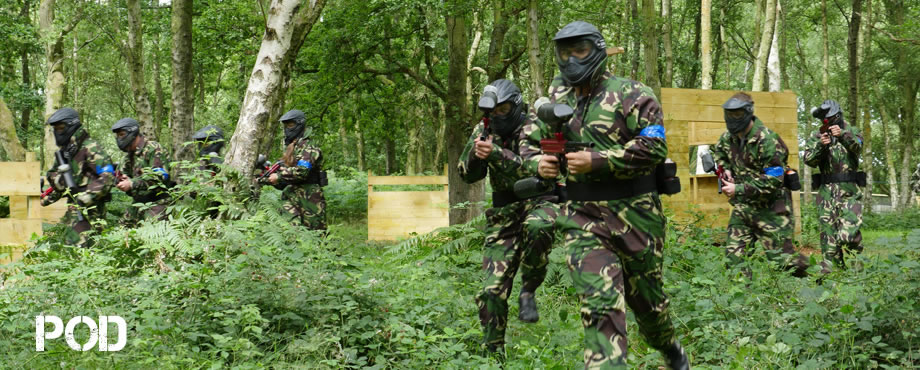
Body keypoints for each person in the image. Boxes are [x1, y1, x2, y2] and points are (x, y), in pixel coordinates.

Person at [521, 21, 688, 369]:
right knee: (600, 309)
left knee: (650, 306)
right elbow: (527, 143)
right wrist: (539, 163)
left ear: (597, 49)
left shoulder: (632, 93)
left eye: (578, 50)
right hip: (583, 219)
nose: (570, 60)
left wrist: (597, 161)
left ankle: (670, 348)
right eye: (564, 52)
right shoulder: (556, 100)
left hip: (637, 217)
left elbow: (654, 146)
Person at [458, 79, 560, 354]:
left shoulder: (535, 126)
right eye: (492, 111)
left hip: (539, 201)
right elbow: (467, 175)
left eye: (502, 110)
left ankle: (529, 287)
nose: (496, 116)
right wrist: (477, 157)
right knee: (491, 291)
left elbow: (535, 170)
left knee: (538, 226)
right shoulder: (484, 128)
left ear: (515, 106)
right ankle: (493, 354)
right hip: (504, 213)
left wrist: (496, 154)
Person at [711, 92, 809, 277]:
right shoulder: (727, 138)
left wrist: (737, 188)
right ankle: (741, 302)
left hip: (772, 210)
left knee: (785, 261)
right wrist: (727, 170)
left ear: (748, 112)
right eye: (729, 114)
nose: (733, 119)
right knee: (734, 260)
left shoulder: (768, 140)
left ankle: (822, 273)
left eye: (737, 114)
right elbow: (720, 155)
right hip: (744, 208)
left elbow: (773, 181)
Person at [803, 100, 865, 270]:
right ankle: (834, 276)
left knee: (849, 236)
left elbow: (858, 147)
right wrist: (821, 146)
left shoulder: (852, 131)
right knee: (829, 243)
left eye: (830, 119)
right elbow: (808, 160)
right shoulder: (817, 136)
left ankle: (857, 271)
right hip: (826, 195)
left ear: (837, 116)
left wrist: (843, 135)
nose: (828, 124)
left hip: (849, 191)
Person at [40, 107, 116, 246]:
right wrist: (47, 196)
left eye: (60, 128)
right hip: (73, 211)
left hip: (92, 212)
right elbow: (55, 178)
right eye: (55, 129)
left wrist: (89, 195)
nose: (57, 132)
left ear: (71, 126)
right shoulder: (64, 152)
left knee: (91, 251)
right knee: (72, 250)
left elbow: (108, 176)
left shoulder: (91, 147)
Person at [258, 109, 327, 231]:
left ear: (300, 125)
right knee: (290, 233)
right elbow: (285, 180)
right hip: (291, 197)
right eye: (285, 126)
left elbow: (301, 172)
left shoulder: (308, 148)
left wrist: (278, 176)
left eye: (290, 125)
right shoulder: (293, 149)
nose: (287, 129)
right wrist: (266, 179)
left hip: (309, 199)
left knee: (316, 236)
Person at [111, 118, 172, 225]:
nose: (119, 138)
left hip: (158, 202)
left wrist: (132, 183)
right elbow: (121, 175)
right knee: (122, 231)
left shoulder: (154, 149)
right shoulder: (129, 157)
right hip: (139, 202)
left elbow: (159, 177)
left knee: (153, 236)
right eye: (117, 136)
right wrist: (122, 180)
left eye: (121, 134)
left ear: (132, 132)